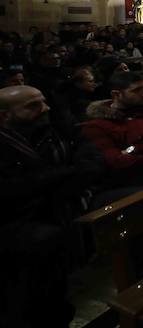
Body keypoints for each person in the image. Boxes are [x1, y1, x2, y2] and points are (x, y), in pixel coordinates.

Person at [0, 85, 104, 328]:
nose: (45, 108)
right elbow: (13, 190)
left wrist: (52, 180)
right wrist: (67, 174)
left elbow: (92, 162)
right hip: (20, 232)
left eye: (44, 101)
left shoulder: (59, 129)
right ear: (5, 116)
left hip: (64, 210)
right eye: (33, 105)